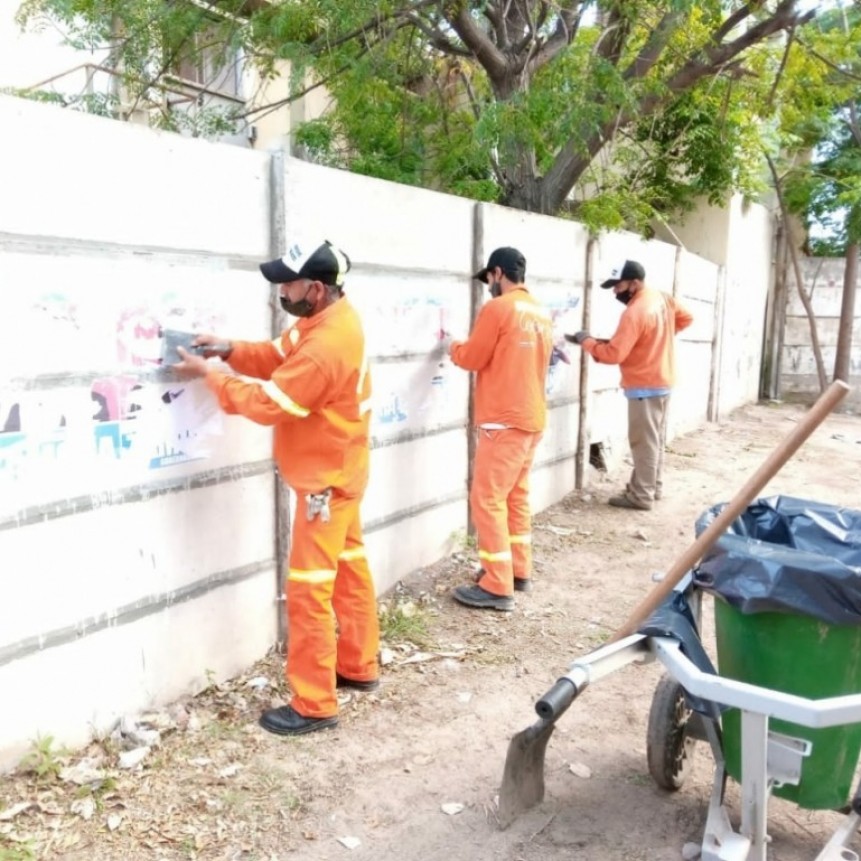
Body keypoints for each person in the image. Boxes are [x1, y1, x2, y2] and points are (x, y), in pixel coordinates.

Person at [173, 239, 380, 736]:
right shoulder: (321, 321)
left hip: (325, 485)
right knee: (349, 569)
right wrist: (228, 350)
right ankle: (358, 664)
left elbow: (273, 403)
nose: (280, 292)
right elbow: (273, 357)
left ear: (316, 286)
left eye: (287, 283)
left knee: (308, 589)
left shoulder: (329, 343)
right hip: (341, 470)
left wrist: (211, 377)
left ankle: (314, 703)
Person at [446, 247, 553, 612]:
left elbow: (473, 357)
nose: (489, 287)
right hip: (531, 417)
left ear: (497, 273)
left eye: (489, 280)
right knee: (515, 496)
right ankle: (518, 570)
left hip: (502, 420)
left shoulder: (498, 308)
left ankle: (496, 584)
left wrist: (453, 346)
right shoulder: (540, 312)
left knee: (487, 499)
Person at [566, 259, 693, 511]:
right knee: (652, 440)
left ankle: (641, 496)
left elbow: (613, 355)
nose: (615, 291)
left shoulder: (634, 312)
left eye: (618, 285)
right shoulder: (661, 298)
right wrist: (657, 339)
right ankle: (650, 487)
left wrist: (587, 342)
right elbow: (686, 318)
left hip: (644, 385)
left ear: (634, 283)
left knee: (643, 442)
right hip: (662, 380)